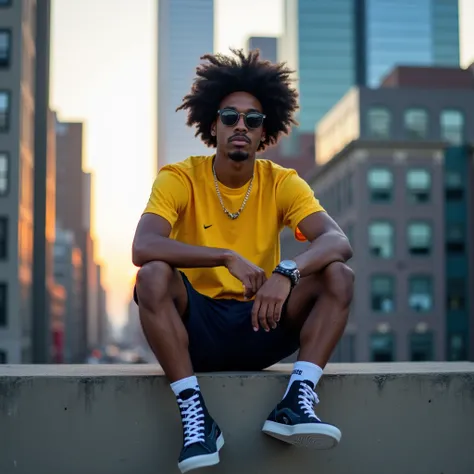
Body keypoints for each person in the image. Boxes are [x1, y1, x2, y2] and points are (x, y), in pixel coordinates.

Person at [132, 49, 354, 473]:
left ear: (263, 131)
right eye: (230, 116)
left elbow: (337, 240)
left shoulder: (281, 182)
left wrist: (287, 272)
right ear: (211, 124)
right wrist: (224, 256)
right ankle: (196, 419)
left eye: (252, 120)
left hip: (262, 322)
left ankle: (295, 401)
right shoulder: (179, 178)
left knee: (338, 276)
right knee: (153, 276)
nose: (240, 126)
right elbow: (143, 246)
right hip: (197, 330)